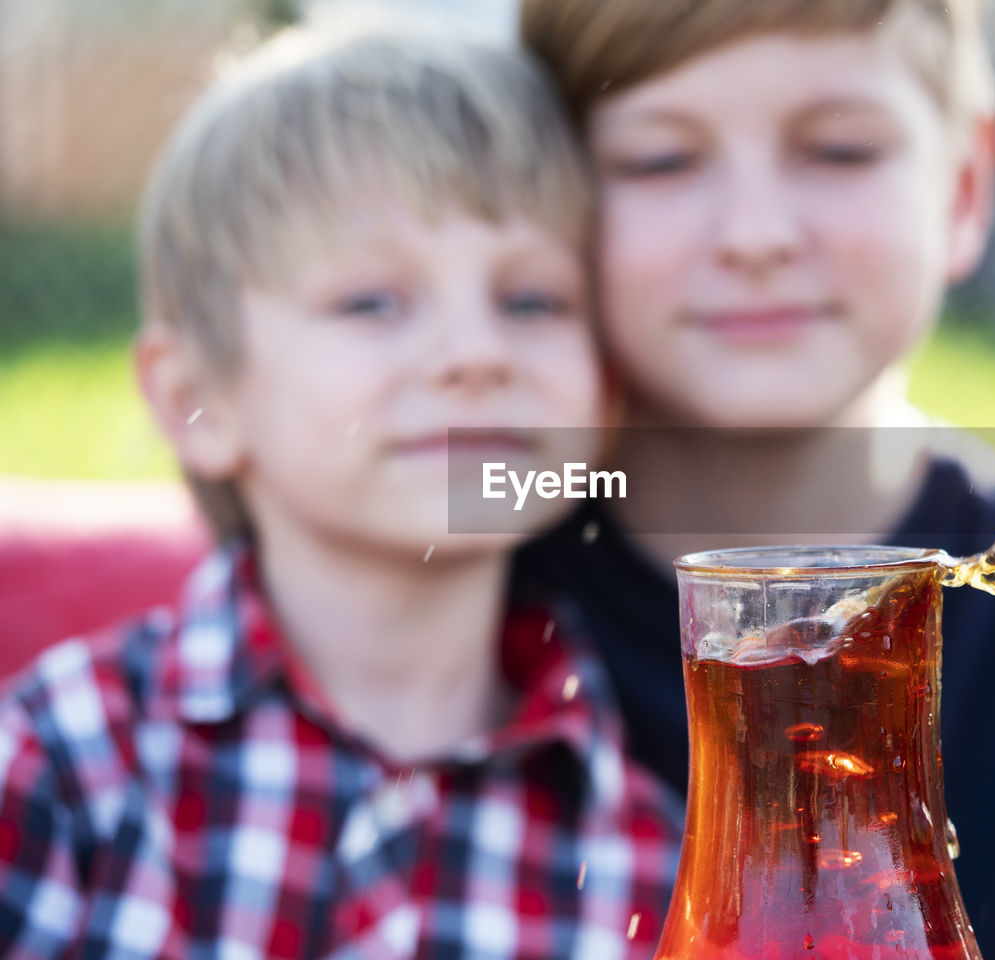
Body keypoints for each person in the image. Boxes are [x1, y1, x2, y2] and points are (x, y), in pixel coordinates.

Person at [513, 1, 995, 958]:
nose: (755, 234)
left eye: (840, 151)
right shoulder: (473, 574)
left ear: (965, 185)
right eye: (661, 160)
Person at [0, 20, 680, 958]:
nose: (476, 353)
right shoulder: (63, 765)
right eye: (373, 302)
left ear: (605, 394)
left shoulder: (657, 852)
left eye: (533, 301)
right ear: (199, 399)